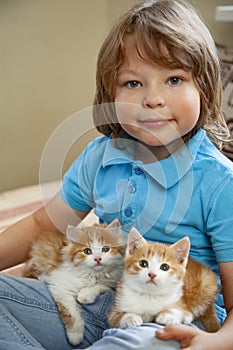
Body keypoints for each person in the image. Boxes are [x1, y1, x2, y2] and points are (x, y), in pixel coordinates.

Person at [0, 0, 233, 349]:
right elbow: (40, 225)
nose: (153, 99)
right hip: (99, 300)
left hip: (172, 317)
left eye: (174, 79)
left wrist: (216, 343)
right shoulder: (101, 156)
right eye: (133, 83)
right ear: (111, 92)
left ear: (205, 87)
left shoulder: (219, 181)